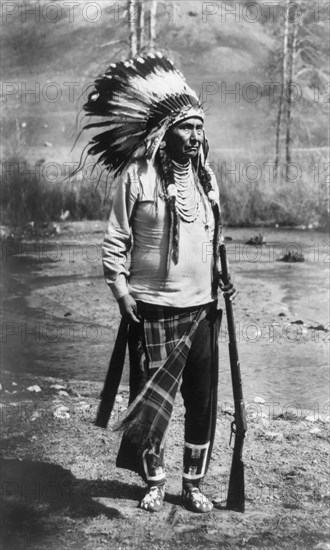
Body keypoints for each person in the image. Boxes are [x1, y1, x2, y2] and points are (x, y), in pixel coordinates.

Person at [82, 52, 236, 513]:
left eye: (198, 127)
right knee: (151, 403)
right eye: (185, 127)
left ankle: (192, 484)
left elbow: (215, 239)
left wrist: (222, 278)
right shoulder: (138, 176)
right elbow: (114, 242)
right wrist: (122, 290)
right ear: (164, 132)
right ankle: (154, 481)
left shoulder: (208, 180)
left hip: (203, 311)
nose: (194, 136)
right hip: (151, 308)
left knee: (202, 404)